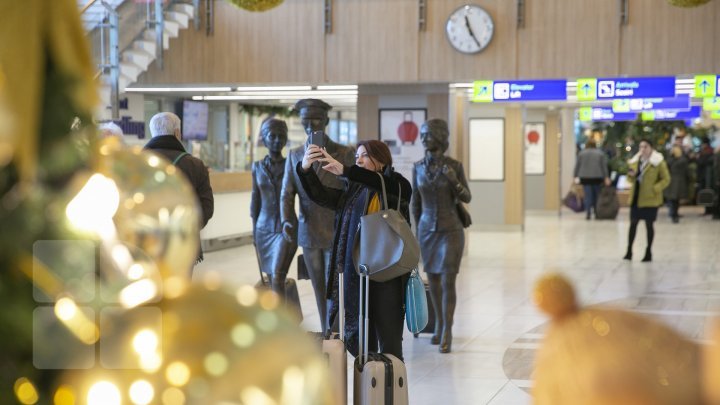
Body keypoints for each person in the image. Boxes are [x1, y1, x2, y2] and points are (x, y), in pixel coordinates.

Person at [296, 140, 411, 360]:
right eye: (356, 156)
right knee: (362, 345)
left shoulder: (398, 185)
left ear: (381, 159)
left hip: (388, 278)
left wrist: (346, 171)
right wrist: (305, 169)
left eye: (364, 156)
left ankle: (392, 389)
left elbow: (383, 184)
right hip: (358, 276)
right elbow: (321, 195)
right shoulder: (354, 189)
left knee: (390, 343)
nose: (358, 160)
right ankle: (368, 388)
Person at [280, 99, 355, 333]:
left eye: (316, 121)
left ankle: (336, 329)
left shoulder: (344, 153)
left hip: (336, 230)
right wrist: (286, 219)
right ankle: (326, 331)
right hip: (309, 230)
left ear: (327, 121)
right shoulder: (294, 155)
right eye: (305, 121)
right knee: (318, 288)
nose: (310, 126)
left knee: (335, 286)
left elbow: (352, 190)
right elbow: (286, 193)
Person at [412, 119, 471, 353]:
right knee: (433, 280)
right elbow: (415, 203)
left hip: (451, 230)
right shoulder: (417, 167)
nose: (423, 139)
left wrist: (454, 181)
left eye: (427, 134)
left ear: (439, 136)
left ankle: (447, 329)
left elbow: (466, 197)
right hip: (427, 230)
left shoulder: (454, 166)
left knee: (447, 280)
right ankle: (437, 326)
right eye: (422, 135)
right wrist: (418, 231)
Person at [144, 112, 214, 265]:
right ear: (177, 133)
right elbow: (207, 207)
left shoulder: (137, 163)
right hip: (183, 246)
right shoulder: (195, 165)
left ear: (153, 132)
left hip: (145, 244)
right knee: (179, 288)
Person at [251, 118, 298, 299]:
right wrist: (254, 231)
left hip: (287, 228)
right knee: (271, 278)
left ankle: (280, 326)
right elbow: (255, 201)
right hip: (263, 229)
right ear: (264, 138)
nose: (277, 140)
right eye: (273, 136)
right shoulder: (257, 167)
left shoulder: (291, 165)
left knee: (278, 276)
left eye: (281, 136)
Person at [622, 139, 670, 262]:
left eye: (645, 147)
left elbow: (666, 179)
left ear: (651, 148)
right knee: (633, 224)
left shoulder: (658, 162)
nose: (642, 149)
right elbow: (631, 178)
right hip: (636, 197)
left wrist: (655, 188)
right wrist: (631, 175)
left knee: (649, 225)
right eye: (641, 147)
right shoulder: (636, 161)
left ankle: (648, 252)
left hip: (650, 199)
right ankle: (629, 251)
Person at [573, 139, 611, 220]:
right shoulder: (600, 153)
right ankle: (597, 212)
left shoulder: (581, 153)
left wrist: (575, 175)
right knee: (596, 195)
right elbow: (603, 166)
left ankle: (588, 212)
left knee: (588, 195)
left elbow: (577, 165)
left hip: (585, 178)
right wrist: (606, 177)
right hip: (597, 177)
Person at [663, 145, 689, 223]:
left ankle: (673, 214)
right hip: (680, 182)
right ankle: (674, 214)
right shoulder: (683, 160)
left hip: (672, 181)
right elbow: (686, 171)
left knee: (673, 199)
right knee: (676, 200)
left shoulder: (669, 160)